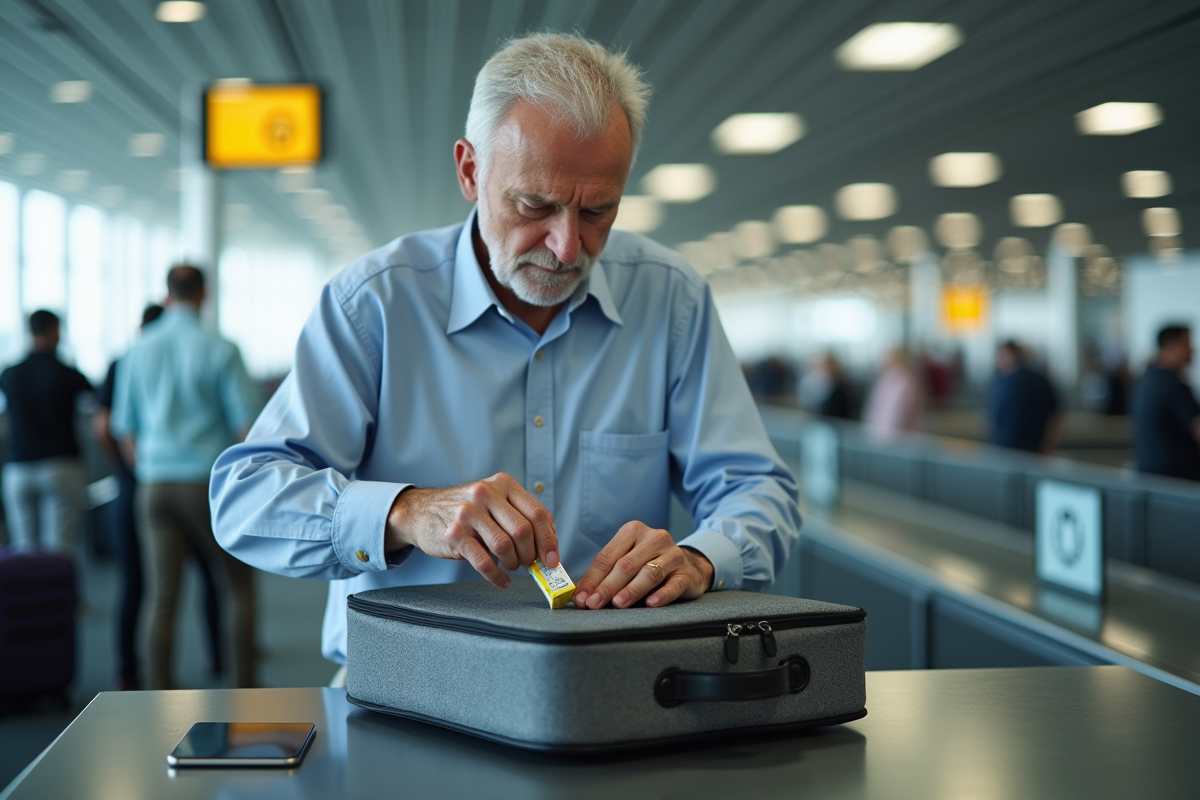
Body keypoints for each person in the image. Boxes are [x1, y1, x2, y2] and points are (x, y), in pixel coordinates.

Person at [209, 33, 801, 672]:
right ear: (470, 171)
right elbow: (245, 496)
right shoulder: (374, 304)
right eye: (535, 205)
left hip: (607, 686)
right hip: (411, 686)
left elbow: (756, 487)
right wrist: (406, 513)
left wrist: (700, 558)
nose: (567, 246)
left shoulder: (670, 298)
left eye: (598, 211)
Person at [110, 266, 261, 689]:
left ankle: (158, 695)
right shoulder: (221, 348)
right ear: (204, 294)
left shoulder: (138, 350)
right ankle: (245, 689)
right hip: (208, 485)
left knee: (161, 596)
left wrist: (147, 471)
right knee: (237, 586)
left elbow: (124, 429)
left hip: (154, 484)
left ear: (167, 294)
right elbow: (247, 426)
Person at [93, 303, 226, 690]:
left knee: (146, 588)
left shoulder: (128, 359)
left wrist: (133, 467)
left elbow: (107, 426)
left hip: (146, 485)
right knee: (216, 577)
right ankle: (219, 658)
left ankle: (133, 673)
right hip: (200, 482)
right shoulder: (208, 348)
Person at [0, 310, 92, 553]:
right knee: (59, 549)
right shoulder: (67, 373)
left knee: (23, 550)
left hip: (18, 468)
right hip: (60, 466)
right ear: (54, 329)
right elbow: (95, 403)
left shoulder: (9, 374)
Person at [1133, 324, 1200, 481]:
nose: (1192, 350)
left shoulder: (1146, 381)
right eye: (1187, 344)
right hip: (1177, 481)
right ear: (1171, 346)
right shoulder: (1172, 386)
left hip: (1152, 478)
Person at [986, 340, 1060, 454]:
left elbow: (1055, 417)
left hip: (1011, 448)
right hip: (1030, 449)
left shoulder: (1004, 383)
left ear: (1016, 355)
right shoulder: (1001, 382)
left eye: (1004, 356)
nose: (1000, 361)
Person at [863, 348, 923, 441]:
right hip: (881, 435)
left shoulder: (904, 381)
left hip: (895, 438)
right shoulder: (887, 379)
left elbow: (896, 414)